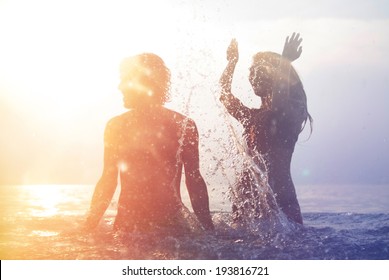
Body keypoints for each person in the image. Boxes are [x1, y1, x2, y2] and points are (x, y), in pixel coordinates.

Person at [85, 53, 214, 232]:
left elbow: (108, 180)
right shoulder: (182, 125)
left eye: (125, 79)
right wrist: (210, 233)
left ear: (143, 82)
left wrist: (86, 229)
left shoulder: (118, 126)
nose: (120, 86)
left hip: (130, 231)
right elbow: (194, 181)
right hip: (170, 230)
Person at [219, 33, 312, 224]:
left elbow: (278, 105)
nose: (252, 76)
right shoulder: (253, 116)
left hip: (279, 202)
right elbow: (224, 95)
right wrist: (232, 62)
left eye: (259, 71)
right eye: (250, 71)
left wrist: (284, 63)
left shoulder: (289, 114)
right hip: (246, 203)